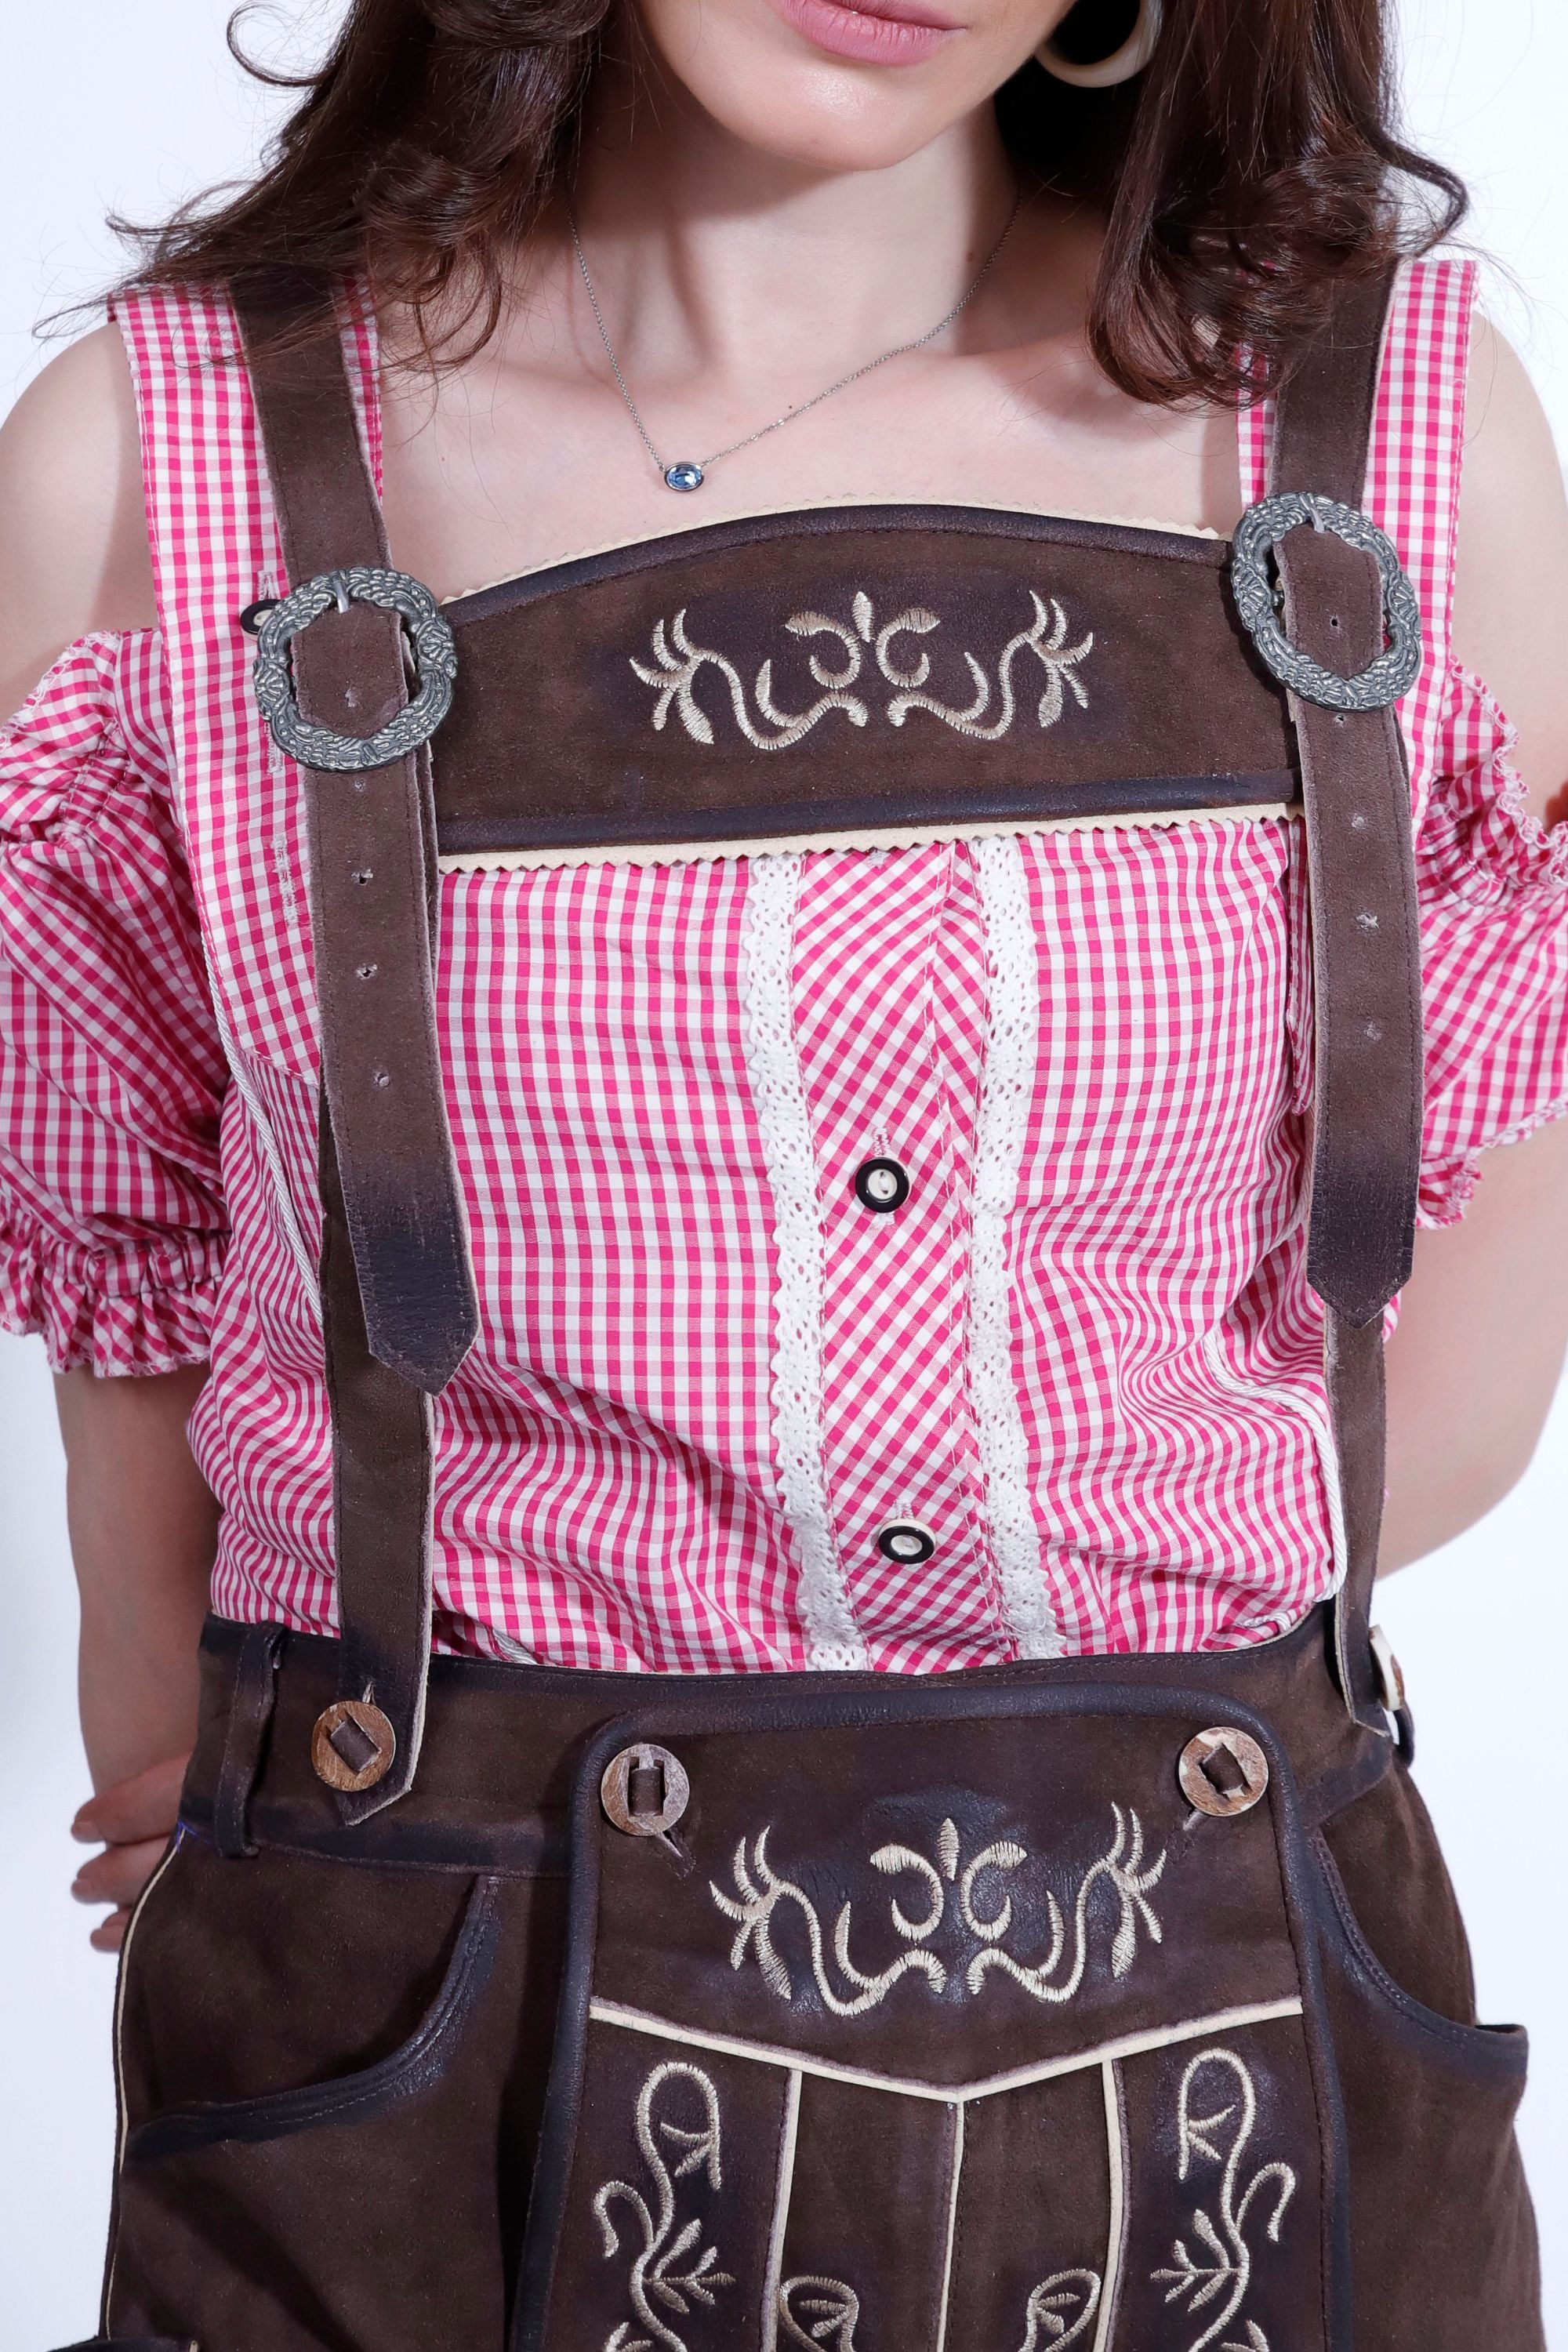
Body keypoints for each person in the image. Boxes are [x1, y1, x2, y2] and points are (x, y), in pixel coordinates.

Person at [2, 0, 1566, 2341]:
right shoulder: (172, 455)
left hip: (1242, 2057)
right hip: (419, 2047)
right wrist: (222, 1745)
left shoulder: (1393, 438)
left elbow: (1450, 1385)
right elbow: (119, 1222)